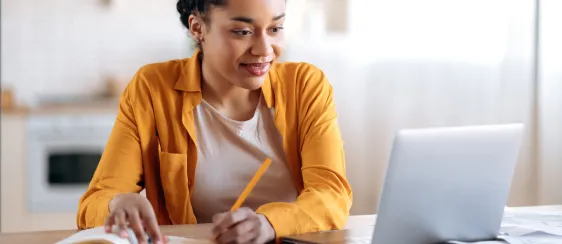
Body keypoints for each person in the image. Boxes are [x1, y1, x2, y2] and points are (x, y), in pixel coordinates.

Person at [77, 0, 352, 243]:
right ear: (197, 28)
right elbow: (94, 204)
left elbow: (331, 195)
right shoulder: (152, 89)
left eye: (275, 29)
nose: (264, 49)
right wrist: (117, 204)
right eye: (242, 32)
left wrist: (270, 224)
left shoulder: (305, 86)